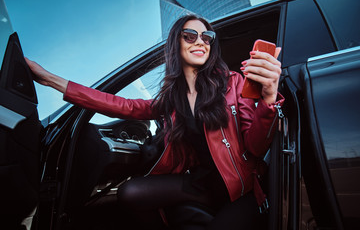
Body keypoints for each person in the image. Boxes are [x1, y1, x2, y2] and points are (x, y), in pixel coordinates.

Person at [26, 14, 283, 229]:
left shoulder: (233, 82)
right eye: (190, 36)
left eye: (207, 37)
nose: (201, 42)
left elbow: (256, 147)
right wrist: (50, 79)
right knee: (130, 193)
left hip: (242, 191)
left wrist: (269, 97)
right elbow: (120, 105)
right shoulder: (172, 98)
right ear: (176, 43)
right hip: (202, 185)